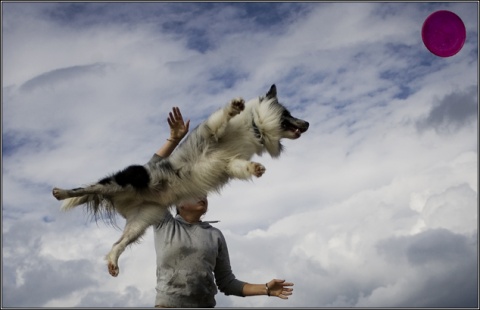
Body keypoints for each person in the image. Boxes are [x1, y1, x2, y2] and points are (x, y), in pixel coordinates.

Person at [149, 107, 294, 308]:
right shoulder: (165, 224)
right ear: (179, 202)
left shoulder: (215, 235)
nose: (203, 195)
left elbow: (227, 283)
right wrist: (173, 140)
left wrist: (266, 289)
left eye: (205, 193)